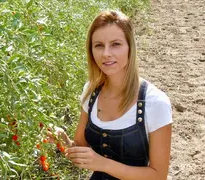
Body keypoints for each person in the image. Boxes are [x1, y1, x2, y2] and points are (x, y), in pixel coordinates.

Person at [51, 10, 172, 180]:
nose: (106, 53)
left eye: (115, 44)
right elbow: (79, 148)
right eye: (99, 45)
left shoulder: (155, 102)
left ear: (130, 47)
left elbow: (158, 176)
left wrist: (103, 164)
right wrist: (62, 140)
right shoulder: (91, 91)